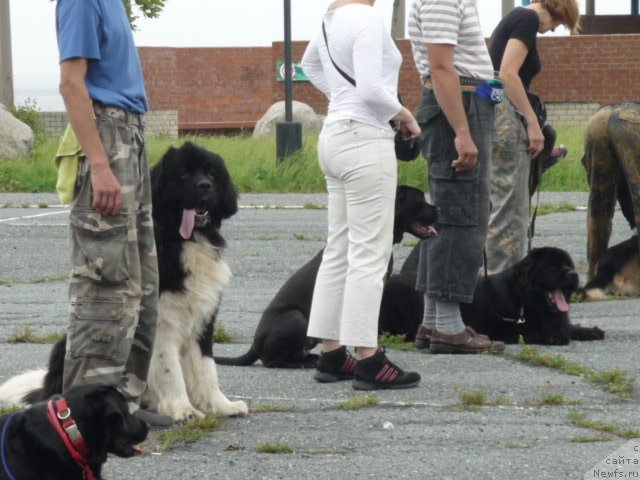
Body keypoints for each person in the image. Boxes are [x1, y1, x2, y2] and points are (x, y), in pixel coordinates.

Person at [56, 0, 172, 427]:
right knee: (105, 285)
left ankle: (122, 406)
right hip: (107, 136)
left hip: (130, 136)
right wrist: (100, 163)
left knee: (140, 282)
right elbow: (71, 84)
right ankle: (82, 415)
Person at [301, 0, 422, 390]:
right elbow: (371, 88)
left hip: (333, 134)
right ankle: (369, 359)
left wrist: (340, 94)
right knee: (370, 252)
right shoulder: (367, 17)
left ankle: (332, 352)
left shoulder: (328, 20)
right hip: (364, 138)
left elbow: (311, 66)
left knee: (339, 247)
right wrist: (404, 114)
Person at [408, 0, 506, 353]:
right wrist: (462, 132)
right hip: (459, 103)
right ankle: (449, 327)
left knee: (446, 213)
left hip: (463, 100)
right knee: (461, 213)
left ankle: (434, 321)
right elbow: (440, 66)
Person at [485, 0, 580, 274]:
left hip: (495, 114)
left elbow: (493, 78)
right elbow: (507, 74)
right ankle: (505, 289)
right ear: (559, 10)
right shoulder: (526, 19)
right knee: (510, 214)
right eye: (559, 23)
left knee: (501, 207)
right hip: (507, 120)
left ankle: (499, 284)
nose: (552, 31)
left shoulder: (514, 20)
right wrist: (531, 122)